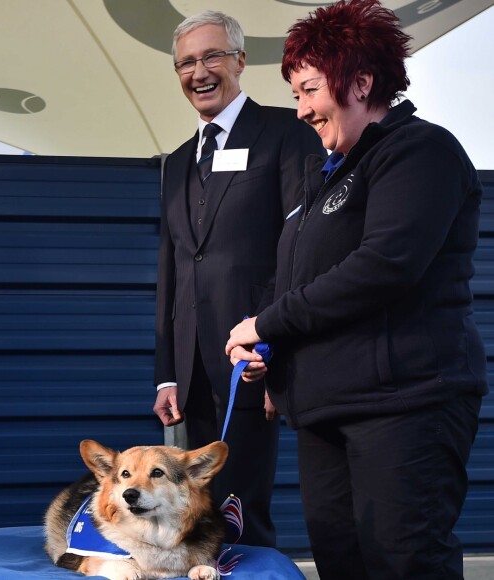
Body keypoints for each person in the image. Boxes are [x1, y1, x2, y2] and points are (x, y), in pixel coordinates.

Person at [225, 0, 488, 576]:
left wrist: (266, 323)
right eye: (295, 93)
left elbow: (384, 265)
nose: (300, 110)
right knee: (341, 561)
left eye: (309, 90)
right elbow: (303, 283)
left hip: (404, 404)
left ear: (362, 82)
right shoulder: (324, 180)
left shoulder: (419, 150)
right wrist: (276, 356)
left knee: (403, 561)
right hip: (326, 410)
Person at [153, 10, 323, 547]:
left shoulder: (286, 133)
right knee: (198, 511)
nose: (198, 72)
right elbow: (173, 266)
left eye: (211, 57)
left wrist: (271, 337)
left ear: (240, 61)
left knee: (244, 504)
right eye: (186, 63)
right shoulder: (178, 161)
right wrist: (166, 373)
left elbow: (299, 246)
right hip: (192, 367)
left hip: (250, 356)